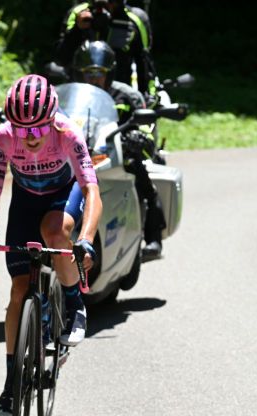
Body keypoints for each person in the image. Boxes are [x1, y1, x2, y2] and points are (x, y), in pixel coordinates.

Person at [0, 74, 102, 416]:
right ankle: (12, 382)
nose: (30, 138)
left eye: (37, 130)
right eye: (22, 130)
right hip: (25, 201)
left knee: (55, 230)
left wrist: (86, 238)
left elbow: (91, 191)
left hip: (64, 195)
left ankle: (73, 302)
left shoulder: (66, 134)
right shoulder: (3, 139)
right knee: (19, 290)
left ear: (52, 121)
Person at [73, 40, 165, 260]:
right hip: (80, 157)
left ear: (109, 73)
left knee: (144, 182)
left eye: (99, 73)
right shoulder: (74, 95)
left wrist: (137, 138)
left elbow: (147, 130)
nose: (93, 78)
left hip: (118, 155)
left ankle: (153, 239)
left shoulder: (127, 96)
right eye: (88, 73)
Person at [53, 0, 154, 97]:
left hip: (118, 98)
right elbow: (61, 59)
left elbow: (144, 63)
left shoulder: (136, 18)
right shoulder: (77, 14)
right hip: (79, 97)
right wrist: (77, 29)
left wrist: (148, 98)